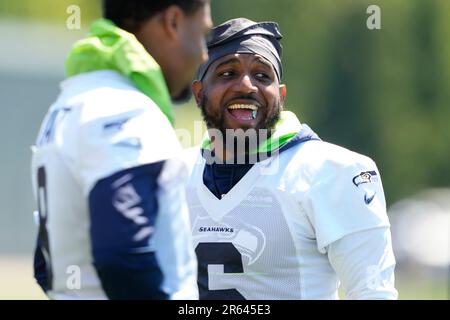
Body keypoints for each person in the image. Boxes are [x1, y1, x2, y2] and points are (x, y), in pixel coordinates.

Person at [186, 18, 398, 299]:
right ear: (199, 93)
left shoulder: (332, 171)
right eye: (227, 73)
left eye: (263, 75)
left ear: (281, 96)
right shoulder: (175, 173)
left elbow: (373, 294)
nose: (246, 86)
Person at [31, 0, 212, 300]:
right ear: (174, 22)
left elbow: (44, 262)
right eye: (203, 35)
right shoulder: (122, 107)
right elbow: (121, 253)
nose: (204, 54)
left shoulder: (70, 102)